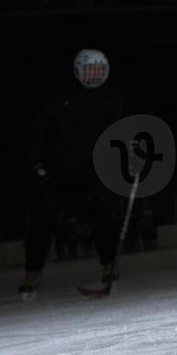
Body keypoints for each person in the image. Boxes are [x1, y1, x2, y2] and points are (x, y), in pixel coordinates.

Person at [20, 49, 124, 299]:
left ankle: (109, 266)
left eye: (98, 70)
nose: (93, 75)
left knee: (103, 219)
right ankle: (32, 273)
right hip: (60, 174)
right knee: (42, 223)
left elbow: (122, 132)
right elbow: (40, 132)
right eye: (89, 70)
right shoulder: (60, 98)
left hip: (95, 173)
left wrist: (130, 156)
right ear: (78, 70)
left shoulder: (112, 98)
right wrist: (37, 163)